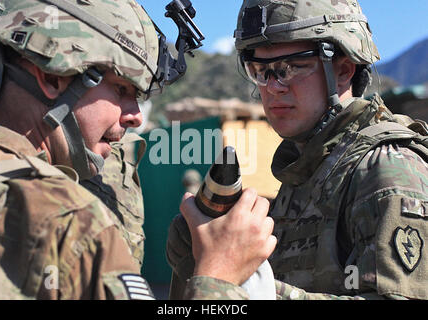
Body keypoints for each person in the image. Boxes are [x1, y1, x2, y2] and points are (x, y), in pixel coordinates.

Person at [0, 0, 276, 300]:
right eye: (122, 89)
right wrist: (218, 275)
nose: (136, 116)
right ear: (53, 76)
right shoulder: (66, 221)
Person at [167, 0, 427, 300]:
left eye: (288, 68)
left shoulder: (387, 168)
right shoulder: (309, 169)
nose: (271, 87)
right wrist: (200, 258)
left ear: (343, 70)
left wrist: (254, 287)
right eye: (258, 70)